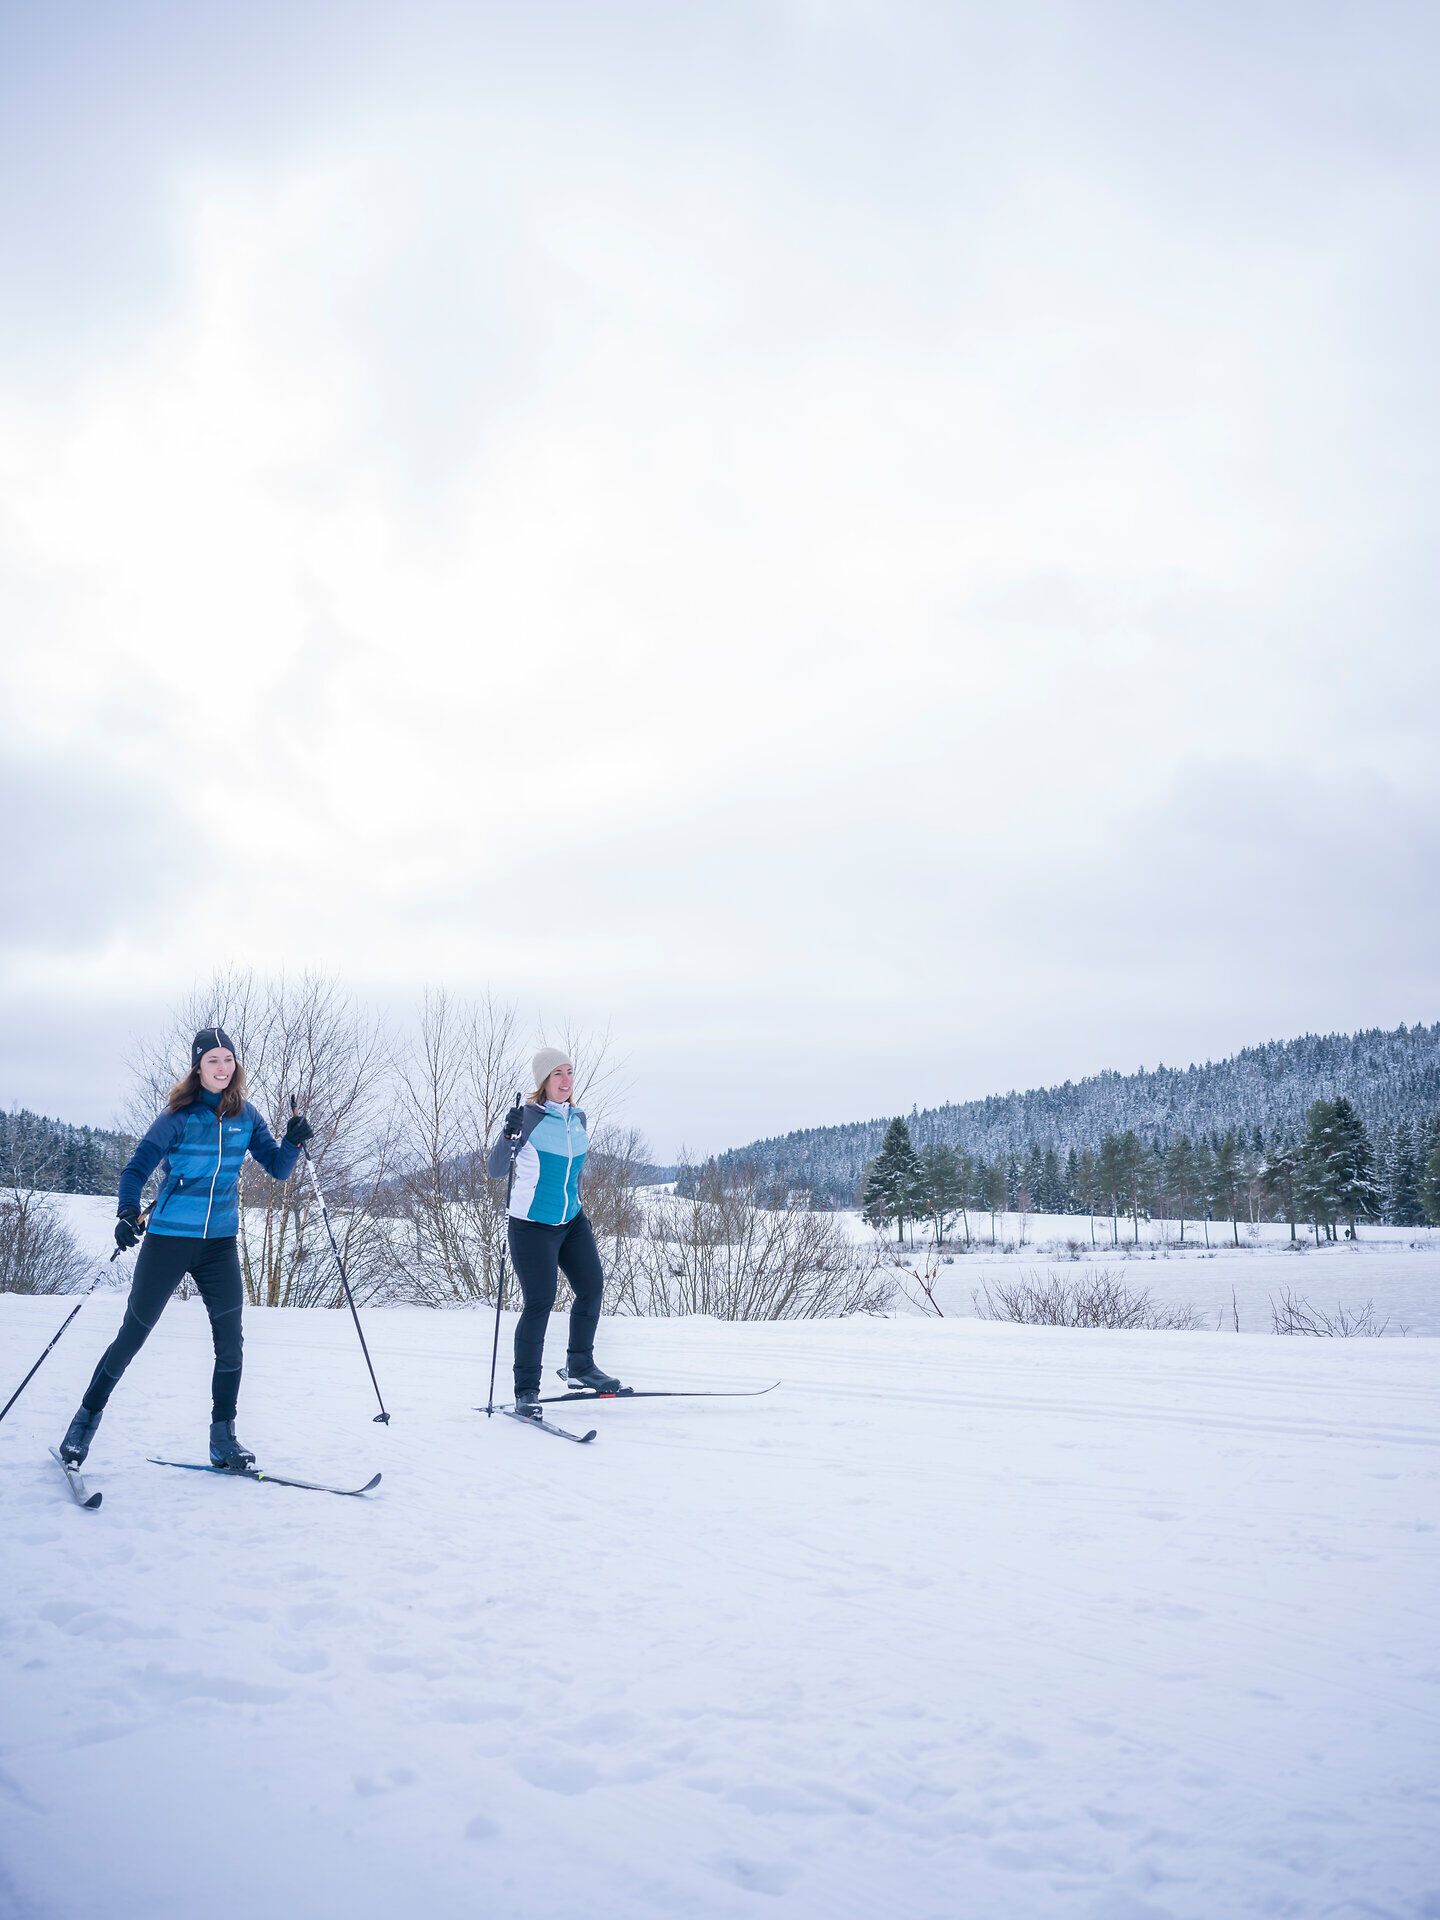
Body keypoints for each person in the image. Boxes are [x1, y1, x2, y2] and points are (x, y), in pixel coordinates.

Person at [58, 1028, 313, 1470]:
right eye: (212, 1060)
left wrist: (292, 1141)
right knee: (133, 1335)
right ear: (198, 1066)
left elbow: (278, 1169)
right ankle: (83, 1423)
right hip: (169, 1240)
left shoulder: (246, 1116)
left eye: (228, 1059)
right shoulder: (177, 1116)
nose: (221, 1067)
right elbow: (136, 1167)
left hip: (219, 1244)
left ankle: (223, 1439)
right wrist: (125, 1212)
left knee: (230, 1342)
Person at [486, 1046, 620, 1416]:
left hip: (572, 1221)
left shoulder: (579, 1118)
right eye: (557, 1073)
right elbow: (496, 1168)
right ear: (543, 1080)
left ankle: (580, 1367)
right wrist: (507, 1135)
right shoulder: (528, 1118)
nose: (566, 1080)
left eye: (570, 1072)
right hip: (532, 1225)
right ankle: (526, 1390)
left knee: (591, 1288)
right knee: (540, 1302)